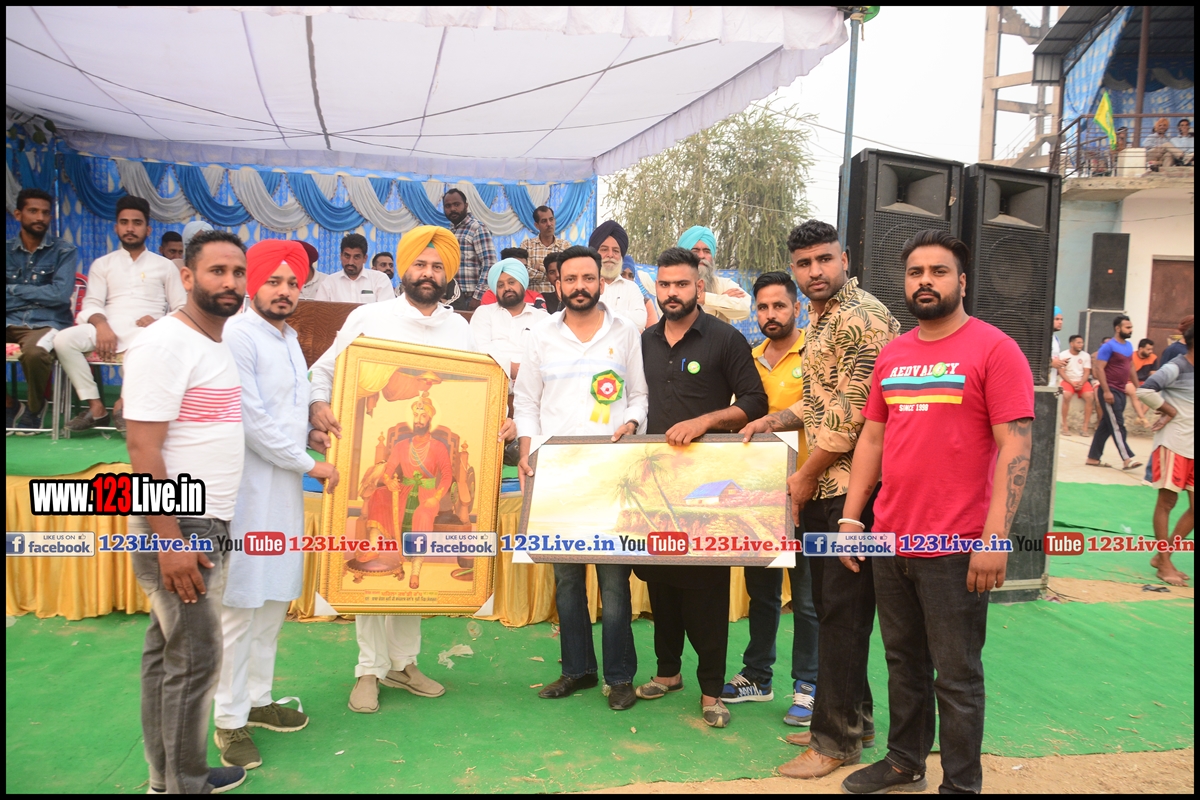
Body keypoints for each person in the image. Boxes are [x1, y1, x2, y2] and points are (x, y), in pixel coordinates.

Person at [836, 229, 1034, 795]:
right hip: (891, 540)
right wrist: (852, 521)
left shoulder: (995, 349)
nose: (925, 281)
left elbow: (1016, 447)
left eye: (939, 271)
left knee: (958, 675)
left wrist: (995, 538)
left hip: (957, 547)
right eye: (915, 272)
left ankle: (961, 785)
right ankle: (905, 763)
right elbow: (873, 439)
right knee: (903, 663)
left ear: (962, 282)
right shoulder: (894, 354)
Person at [308, 225, 514, 714]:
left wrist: (500, 421)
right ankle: (368, 669)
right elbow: (325, 371)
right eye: (420, 264)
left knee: (415, 548)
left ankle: (404, 664)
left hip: (431, 477)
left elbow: (481, 394)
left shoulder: (460, 330)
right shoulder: (369, 318)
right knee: (377, 544)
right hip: (376, 461)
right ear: (404, 269)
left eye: (437, 266)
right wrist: (317, 406)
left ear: (448, 274)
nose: (428, 273)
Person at [756, 220, 897, 780]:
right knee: (841, 612)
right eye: (804, 263)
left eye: (824, 259)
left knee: (842, 617)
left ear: (844, 258)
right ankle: (853, 720)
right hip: (829, 485)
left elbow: (853, 414)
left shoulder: (861, 317)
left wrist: (805, 475)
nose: (815, 271)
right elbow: (820, 401)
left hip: (853, 495)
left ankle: (834, 741)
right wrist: (772, 420)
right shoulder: (823, 317)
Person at [123, 228, 250, 794]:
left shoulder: (212, 342)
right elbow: (142, 449)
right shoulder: (165, 343)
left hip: (205, 522)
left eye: (237, 272)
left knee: (170, 655)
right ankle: (185, 784)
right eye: (217, 271)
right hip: (179, 526)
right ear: (186, 276)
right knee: (196, 660)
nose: (230, 282)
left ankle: (168, 778)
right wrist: (170, 541)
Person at [211, 241, 339, 770]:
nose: (284, 292)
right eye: (274, 281)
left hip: (281, 491)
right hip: (246, 492)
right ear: (252, 284)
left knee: (271, 602)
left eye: (293, 284)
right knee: (241, 608)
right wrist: (310, 462)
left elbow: (285, 410)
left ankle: (258, 700)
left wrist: (311, 430)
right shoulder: (238, 336)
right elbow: (252, 421)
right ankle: (228, 719)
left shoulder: (287, 338)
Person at [634, 246, 768, 729]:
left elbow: (755, 401)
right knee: (660, 584)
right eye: (665, 284)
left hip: (706, 488)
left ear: (699, 287)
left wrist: (706, 421)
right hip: (653, 486)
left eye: (682, 284)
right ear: (656, 287)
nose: (672, 292)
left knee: (706, 591)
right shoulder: (643, 341)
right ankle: (667, 673)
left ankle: (712, 691)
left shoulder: (725, 339)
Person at [514, 245, 648, 711]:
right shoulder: (540, 335)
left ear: (601, 282)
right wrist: (526, 454)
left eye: (588, 278)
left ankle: (620, 677)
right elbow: (526, 402)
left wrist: (631, 422)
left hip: (613, 473)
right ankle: (577, 670)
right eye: (570, 279)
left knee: (613, 582)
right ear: (558, 284)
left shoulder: (625, 331)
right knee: (568, 579)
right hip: (557, 474)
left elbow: (639, 395)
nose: (579, 287)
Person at [719, 272, 818, 721]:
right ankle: (757, 676)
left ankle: (808, 685)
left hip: (810, 489)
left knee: (808, 599)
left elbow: (819, 409)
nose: (771, 315)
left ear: (797, 308)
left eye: (779, 306)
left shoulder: (815, 352)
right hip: (759, 496)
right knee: (762, 593)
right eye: (762, 307)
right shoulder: (750, 358)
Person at [57, 195, 187, 433]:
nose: (130, 228)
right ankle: (96, 407)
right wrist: (101, 326)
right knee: (63, 340)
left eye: (137, 223)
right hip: (107, 327)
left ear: (148, 229)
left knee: (147, 345)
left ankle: (122, 404)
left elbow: (181, 308)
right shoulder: (103, 264)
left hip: (146, 332)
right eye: (124, 222)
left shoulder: (165, 266)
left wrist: (160, 322)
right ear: (116, 227)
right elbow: (92, 303)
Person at [6, 187, 77, 432]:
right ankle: (10, 404)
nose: (40, 217)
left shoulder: (64, 251)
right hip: (10, 319)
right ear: (18, 214)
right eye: (33, 211)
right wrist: (37, 295)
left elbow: (60, 295)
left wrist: (13, 290)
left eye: (45, 213)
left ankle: (35, 407)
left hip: (47, 323)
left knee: (35, 353)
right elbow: (51, 293)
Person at [1138, 326, 1194, 587]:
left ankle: (1164, 557)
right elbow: (1145, 391)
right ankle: (1164, 563)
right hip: (1174, 443)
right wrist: (1170, 410)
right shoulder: (1177, 366)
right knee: (1167, 502)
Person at [469, 258, 549, 379]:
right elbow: (479, 346)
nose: (507, 288)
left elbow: (547, 354)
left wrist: (525, 373)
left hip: (532, 379)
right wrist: (509, 368)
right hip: (491, 377)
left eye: (511, 282)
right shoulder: (485, 312)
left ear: (522, 284)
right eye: (500, 285)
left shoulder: (542, 318)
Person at [1087, 315, 1142, 470]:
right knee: (1118, 425)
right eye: (1127, 327)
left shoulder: (1129, 346)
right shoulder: (1108, 347)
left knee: (1106, 425)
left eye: (1131, 327)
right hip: (1109, 391)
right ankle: (1127, 458)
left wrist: (1139, 388)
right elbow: (1099, 369)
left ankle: (1093, 458)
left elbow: (1131, 367)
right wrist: (1106, 391)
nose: (1130, 330)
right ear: (1118, 328)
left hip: (1121, 391)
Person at [677, 226, 751, 324]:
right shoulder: (672, 286)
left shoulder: (723, 284)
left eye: (707, 251)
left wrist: (703, 298)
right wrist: (721, 301)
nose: (702, 256)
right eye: (695, 251)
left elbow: (744, 310)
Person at [589, 220, 653, 331]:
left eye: (615, 251)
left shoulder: (631, 288)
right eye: (604, 249)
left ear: (621, 256)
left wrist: (603, 314)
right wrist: (623, 317)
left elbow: (640, 321)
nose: (610, 255)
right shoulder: (587, 285)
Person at [442, 188, 498, 310]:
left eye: (457, 204)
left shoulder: (477, 228)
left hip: (470, 297)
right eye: (448, 206)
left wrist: (478, 297)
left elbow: (490, 263)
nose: (452, 209)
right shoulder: (449, 232)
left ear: (466, 205)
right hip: (452, 297)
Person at [314, 233, 393, 304]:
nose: (350, 262)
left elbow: (386, 311)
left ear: (365, 258)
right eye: (347, 256)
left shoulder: (379, 279)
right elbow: (320, 312)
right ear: (341, 256)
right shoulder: (329, 282)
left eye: (356, 257)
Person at [519, 205, 572, 295]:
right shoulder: (526, 245)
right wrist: (553, 275)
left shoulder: (565, 246)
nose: (549, 224)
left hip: (559, 298)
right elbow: (523, 273)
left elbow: (568, 273)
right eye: (544, 221)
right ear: (536, 225)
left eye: (551, 219)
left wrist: (540, 268)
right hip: (534, 299)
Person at [1060, 334, 1095, 436]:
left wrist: (1081, 382)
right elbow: (1062, 372)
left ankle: (1085, 428)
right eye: (1078, 343)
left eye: (1082, 343)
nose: (1081, 345)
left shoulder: (1086, 356)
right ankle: (1064, 426)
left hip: (1081, 381)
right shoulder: (1063, 355)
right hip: (1068, 380)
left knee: (1090, 397)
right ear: (1071, 344)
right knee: (1066, 396)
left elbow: (1087, 371)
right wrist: (1071, 383)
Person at [1049, 306, 1066, 387]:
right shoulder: (1041, 338)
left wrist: (1060, 363)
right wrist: (1050, 363)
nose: (1060, 322)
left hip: (1052, 384)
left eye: (1061, 319)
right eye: (1057, 319)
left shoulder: (1056, 339)